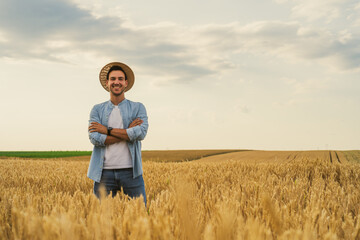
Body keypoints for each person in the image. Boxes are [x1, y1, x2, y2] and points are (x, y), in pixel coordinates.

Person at [87, 62, 148, 206]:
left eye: (120, 79)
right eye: (113, 79)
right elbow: (94, 138)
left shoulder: (138, 108)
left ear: (126, 83)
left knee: (140, 218)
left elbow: (140, 133)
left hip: (131, 172)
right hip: (103, 173)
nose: (117, 82)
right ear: (107, 83)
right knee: (102, 220)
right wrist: (127, 132)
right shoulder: (97, 110)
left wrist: (106, 130)